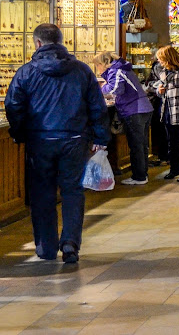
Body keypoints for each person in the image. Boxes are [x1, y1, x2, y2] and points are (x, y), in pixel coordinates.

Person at [5, 24, 109, 264]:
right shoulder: (82, 71)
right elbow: (97, 107)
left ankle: (46, 247)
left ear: (38, 43)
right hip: (74, 140)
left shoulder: (26, 72)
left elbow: (13, 106)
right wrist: (101, 137)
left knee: (42, 194)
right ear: (62, 42)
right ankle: (70, 242)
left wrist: (20, 133)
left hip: (40, 141)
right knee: (73, 191)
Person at [94, 52, 153, 186]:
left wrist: (100, 89)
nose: (97, 68)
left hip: (134, 110)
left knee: (136, 145)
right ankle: (142, 174)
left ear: (102, 64)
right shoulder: (123, 69)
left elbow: (115, 89)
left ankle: (139, 176)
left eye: (97, 65)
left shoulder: (116, 71)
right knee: (142, 144)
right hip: (143, 108)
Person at [150, 46, 179, 182]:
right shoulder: (164, 73)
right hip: (168, 113)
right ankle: (174, 169)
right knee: (172, 144)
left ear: (168, 59)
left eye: (161, 59)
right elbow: (159, 89)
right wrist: (159, 90)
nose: (160, 62)